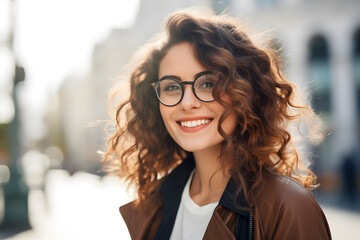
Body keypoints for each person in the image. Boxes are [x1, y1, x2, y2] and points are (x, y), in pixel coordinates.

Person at [103, 9, 332, 240]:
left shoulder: (289, 207)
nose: (187, 102)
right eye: (171, 87)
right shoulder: (155, 207)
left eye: (208, 83)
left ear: (245, 92)